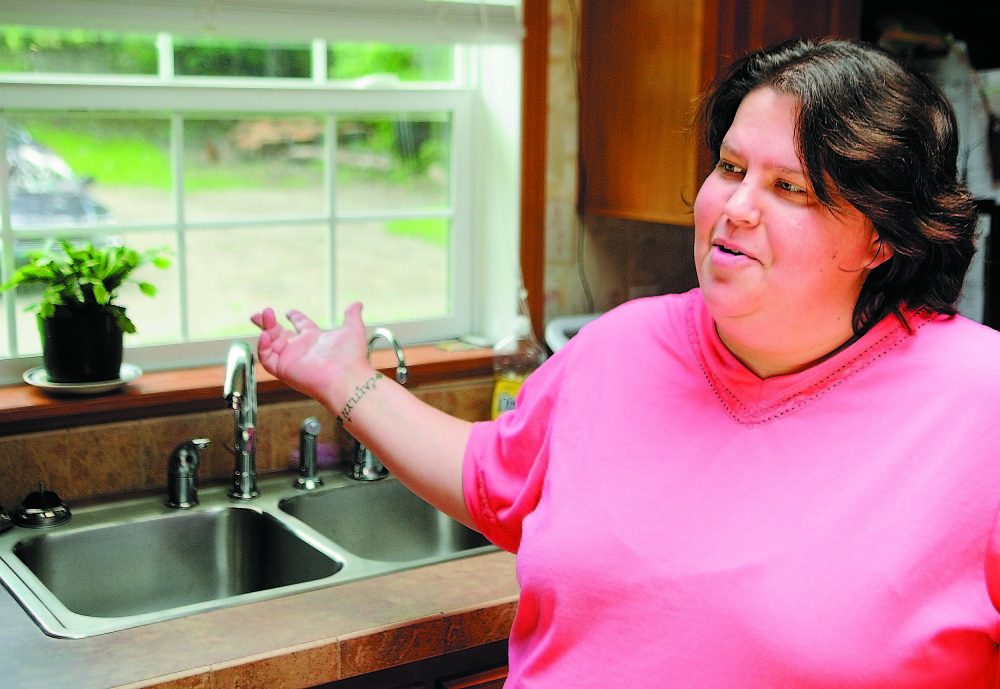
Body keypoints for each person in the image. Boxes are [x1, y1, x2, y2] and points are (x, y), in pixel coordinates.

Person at [253, 39, 1000, 687]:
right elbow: (492, 475)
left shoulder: (978, 401)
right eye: (730, 166)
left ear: (882, 237)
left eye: (789, 188)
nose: (736, 206)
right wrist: (345, 379)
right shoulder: (622, 345)